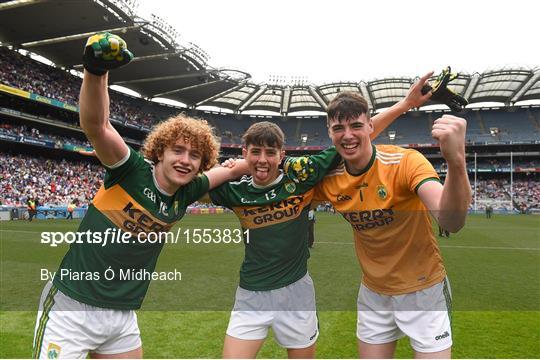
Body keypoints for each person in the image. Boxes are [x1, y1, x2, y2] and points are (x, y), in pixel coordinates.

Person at [33, 32, 248, 359]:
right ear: (159, 151)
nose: (185, 160)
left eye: (194, 156)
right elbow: (97, 126)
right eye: (177, 150)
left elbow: (232, 171)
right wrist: (96, 71)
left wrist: (263, 164)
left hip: (121, 317)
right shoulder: (130, 170)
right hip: (72, 307)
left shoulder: (187, 191)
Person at [210, 72, 433, 359]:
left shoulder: (305, 173)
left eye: (270, 152)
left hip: (296, 292)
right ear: (244, 152)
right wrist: (232, 169)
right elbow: (194, 185)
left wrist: (404, 104)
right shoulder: (234, 192)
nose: (262, 159)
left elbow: (360, 134)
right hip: (250, 295)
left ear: (282, 154)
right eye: (254, 153)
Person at [312, 91, 471, 358]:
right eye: (338, 128)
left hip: (424, 290)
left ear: (371, 126)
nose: (347, 135)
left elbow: (451, 220)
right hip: (374, 294)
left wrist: (456, 161)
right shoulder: (328, 179)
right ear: (329, 133)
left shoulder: (405, 162)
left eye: (356, 126)